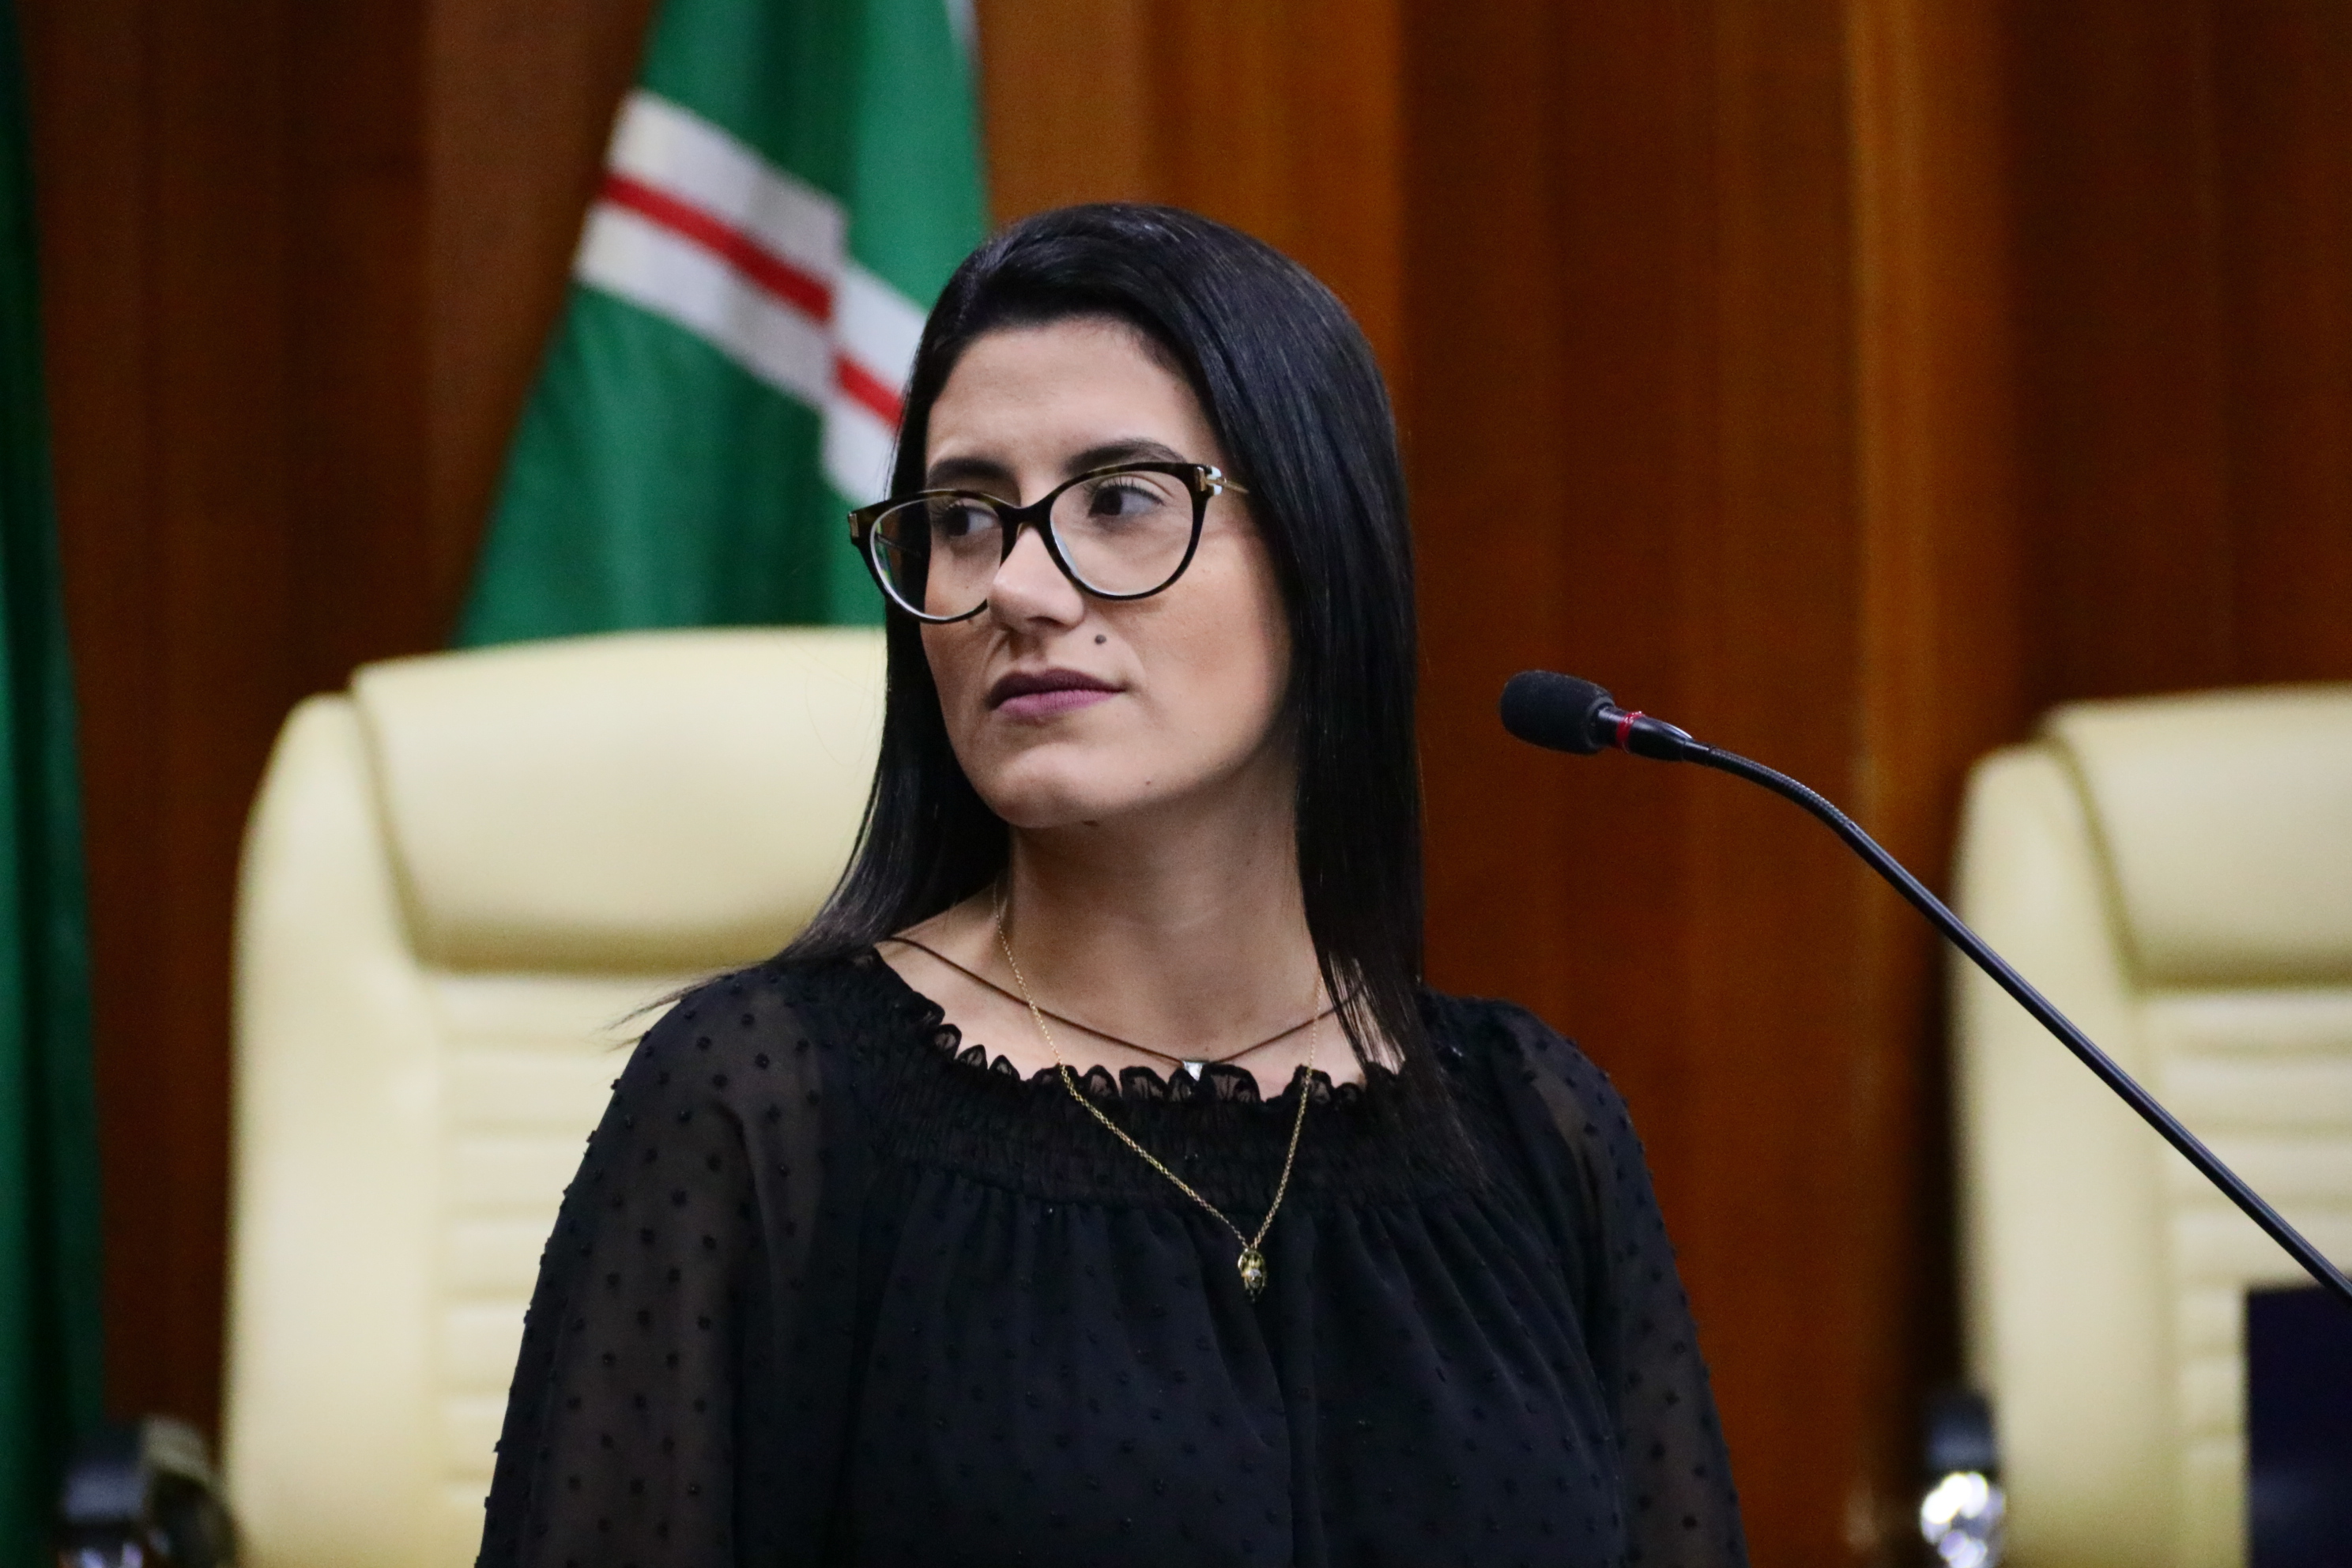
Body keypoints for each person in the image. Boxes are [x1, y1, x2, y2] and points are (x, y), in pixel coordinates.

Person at [477, 203, 1747, 1568]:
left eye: (1122, 501)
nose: (1018, 587)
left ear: (1321, 552)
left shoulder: (1534, 1123)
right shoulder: (763, 1103)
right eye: (964, 518)